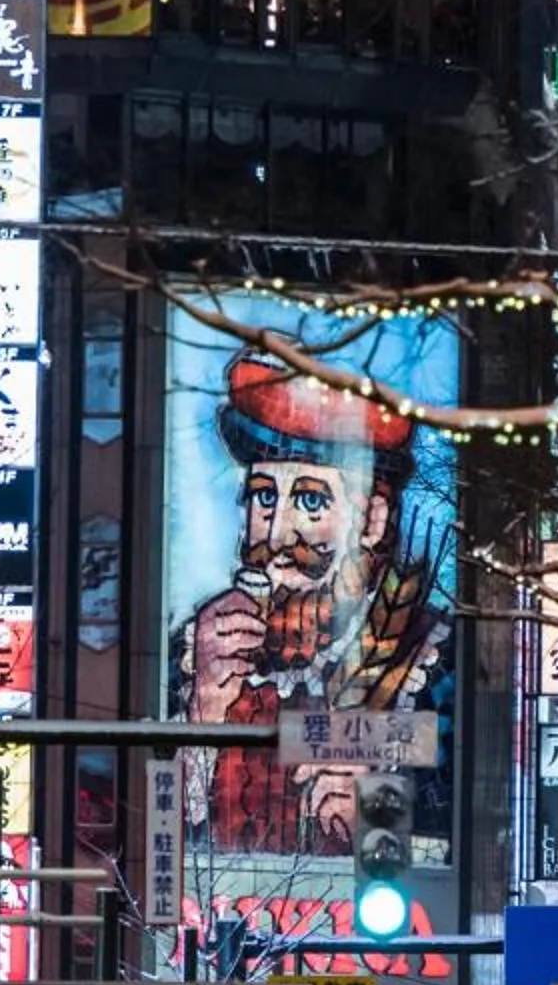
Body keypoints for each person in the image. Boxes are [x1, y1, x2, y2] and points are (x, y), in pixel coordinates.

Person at [174, 355, 450, 856]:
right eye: (263, 498)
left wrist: (374, 812)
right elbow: (144, 829)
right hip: (211, 922)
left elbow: (469, 826)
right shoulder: (196, 650)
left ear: (371, 519)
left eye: (311, 502)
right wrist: (203, 714)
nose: (277, 533)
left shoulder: (429, 658)